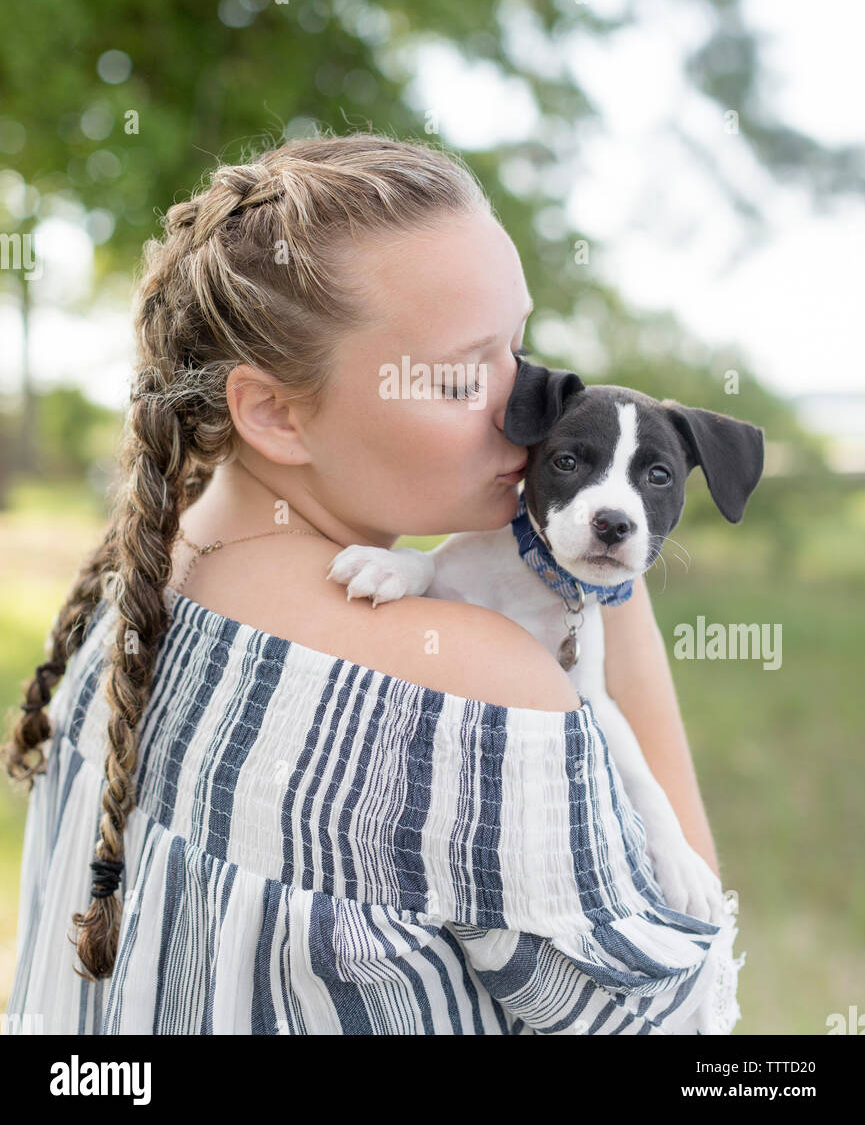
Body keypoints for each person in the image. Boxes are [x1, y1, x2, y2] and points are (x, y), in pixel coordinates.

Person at [1, 131, 743, 1034]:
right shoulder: (476, 686)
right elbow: (684, 1011)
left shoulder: (138, 577)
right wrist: (605, 583)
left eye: (518, 344)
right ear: (275, 412)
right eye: (465, 373)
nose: (530, 405)